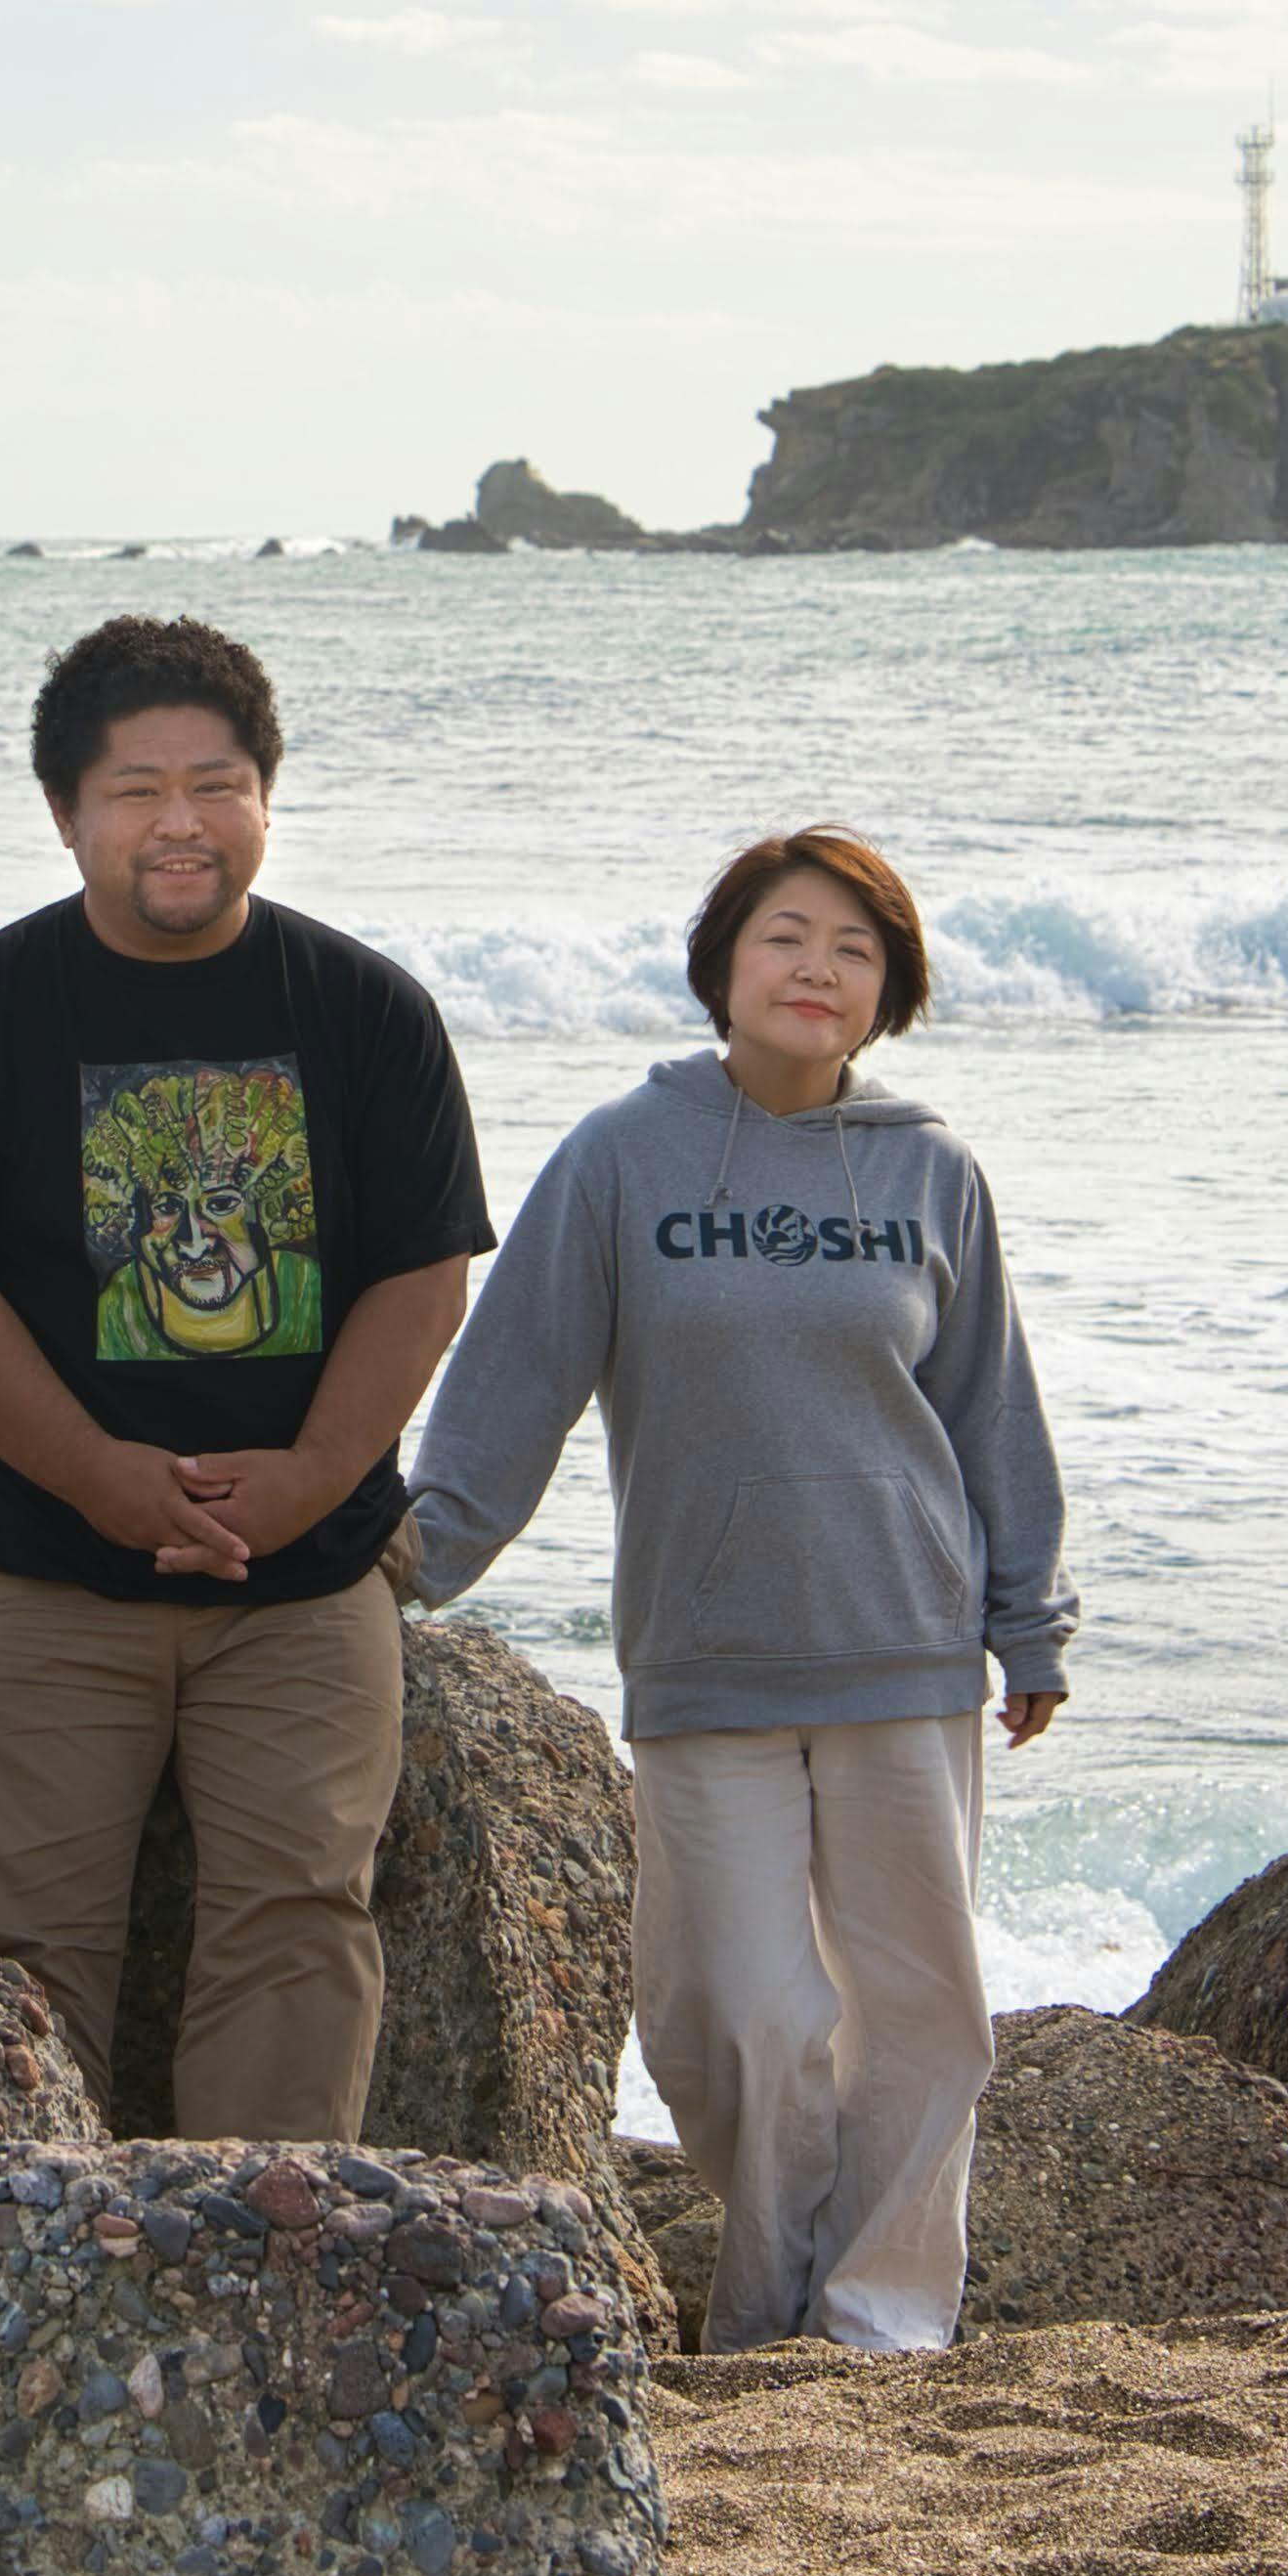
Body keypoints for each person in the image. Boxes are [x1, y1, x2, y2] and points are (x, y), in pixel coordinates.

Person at [404, 829, 1075, 2351]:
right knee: (734, 2016)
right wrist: (410, 1557)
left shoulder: (929, 1169)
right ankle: (769, 2294)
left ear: (889, 989)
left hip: (904, 1644)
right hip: (706, 1652)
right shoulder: (621, 1156)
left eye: (853, 948)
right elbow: (514, 1375)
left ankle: (877, 2321)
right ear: (722, 964)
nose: (814, 969)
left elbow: (988, 1407)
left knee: (920, 2012)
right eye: (784, 936)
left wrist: (1027, 1618)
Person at [0, 616, 491, 2141]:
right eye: (135, 790)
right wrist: (98, 1476)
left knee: (299, 1924)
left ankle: (264, 2242)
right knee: (10, 1954)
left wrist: (314, 1474)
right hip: (38, 1565)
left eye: (216, 784)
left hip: (303, 1576)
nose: (179, 821)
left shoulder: (367, 1010)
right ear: (66, 812)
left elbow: (420, 1277)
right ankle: (20, 2249)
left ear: (265, 799)